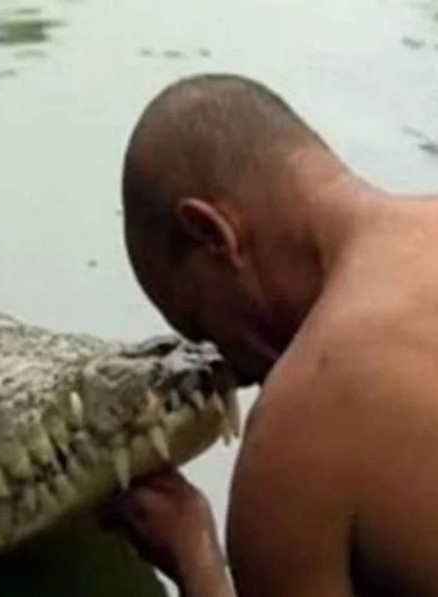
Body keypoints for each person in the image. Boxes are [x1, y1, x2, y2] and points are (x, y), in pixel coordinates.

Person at [107, 73, 438, 596]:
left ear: (213, 233)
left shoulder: (297, 437)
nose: (232, 374)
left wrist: (196, 557)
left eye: (201, 328)